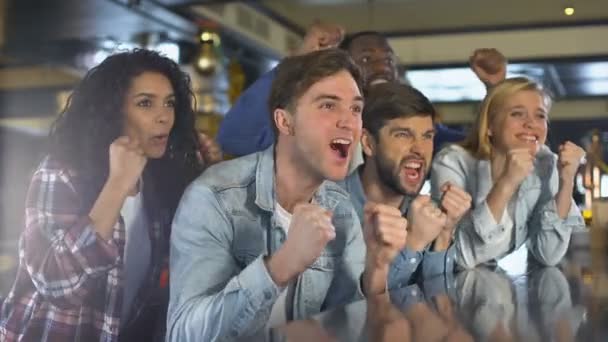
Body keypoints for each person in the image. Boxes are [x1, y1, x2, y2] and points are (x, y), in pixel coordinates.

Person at [166, 49, 407, 341]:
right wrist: (282, 265)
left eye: (356, 109)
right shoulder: (215, 196)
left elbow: (348, 328)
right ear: (284, 121)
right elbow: (184, 334)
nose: (349, 122)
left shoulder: (340, 209)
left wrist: (378, 269)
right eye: (328, 106)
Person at [0, 49, 207, 341]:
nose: (164, 117)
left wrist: (208, 172)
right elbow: (58, 284)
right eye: (145, 103)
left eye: (170, 103)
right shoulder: (60, 173)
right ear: (113, 110)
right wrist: (117, 184)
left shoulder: (158, 181)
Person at [216, 23, 506, 163]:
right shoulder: (322, 124)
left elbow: (476, 150)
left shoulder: (413, 125)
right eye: (367, 59)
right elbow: (235, 137)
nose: (382, 67)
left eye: (389, 60)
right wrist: (296, 63)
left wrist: (495, 90)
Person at [431, 77, 586, 269]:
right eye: (517, 114)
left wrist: (566, 181)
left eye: (540, 115)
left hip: (500, 289)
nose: (531, 123)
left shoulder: (546, 164)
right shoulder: (451, 162)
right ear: (489, 126)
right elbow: (461, 257)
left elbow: (549, 254)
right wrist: (507, 183)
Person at [339, 83, 471, 289]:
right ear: (368, 143)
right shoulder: (331, 209)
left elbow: (435, 296)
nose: (419, 148)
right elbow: (350, 309)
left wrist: (445, 232)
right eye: (403, 134)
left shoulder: (421, 212)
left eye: (427, 136)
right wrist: (413, 244)